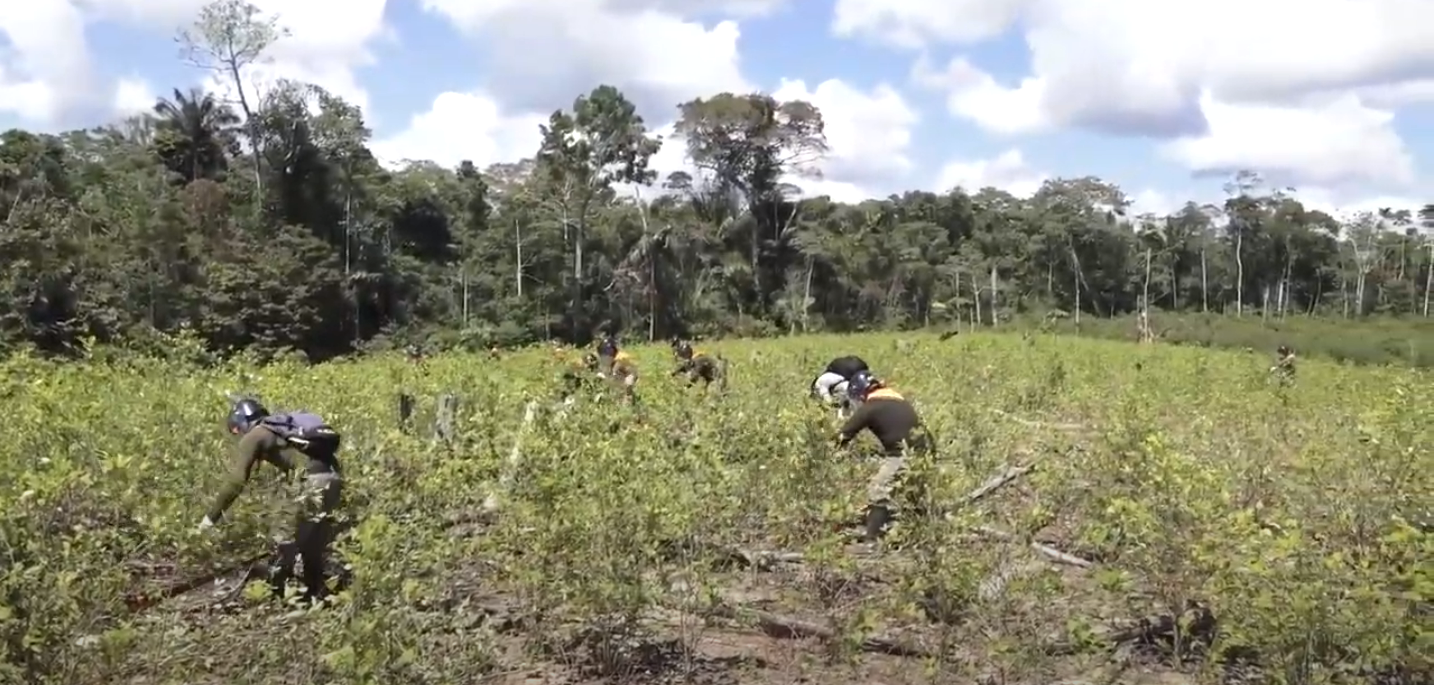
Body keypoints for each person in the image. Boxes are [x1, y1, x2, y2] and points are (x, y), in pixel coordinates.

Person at [200, 398, 344, 604]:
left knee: (281, 540)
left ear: (239, 425)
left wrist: (210, 519)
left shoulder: (256, 434)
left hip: (309, 482)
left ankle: (273, 597)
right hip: (333, 478)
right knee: (312, 544)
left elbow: (236, 480)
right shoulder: (282, 430)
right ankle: (317, 595)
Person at [836, 372, 932, 542]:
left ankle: (872, 540)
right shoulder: (896, 399)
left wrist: (827, 454)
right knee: (910, 495)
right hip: (927, 451)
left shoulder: (871, 406)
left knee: (878, 489)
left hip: (904, 454)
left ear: (860, 393)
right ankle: (915, 535)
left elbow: (843, 435)